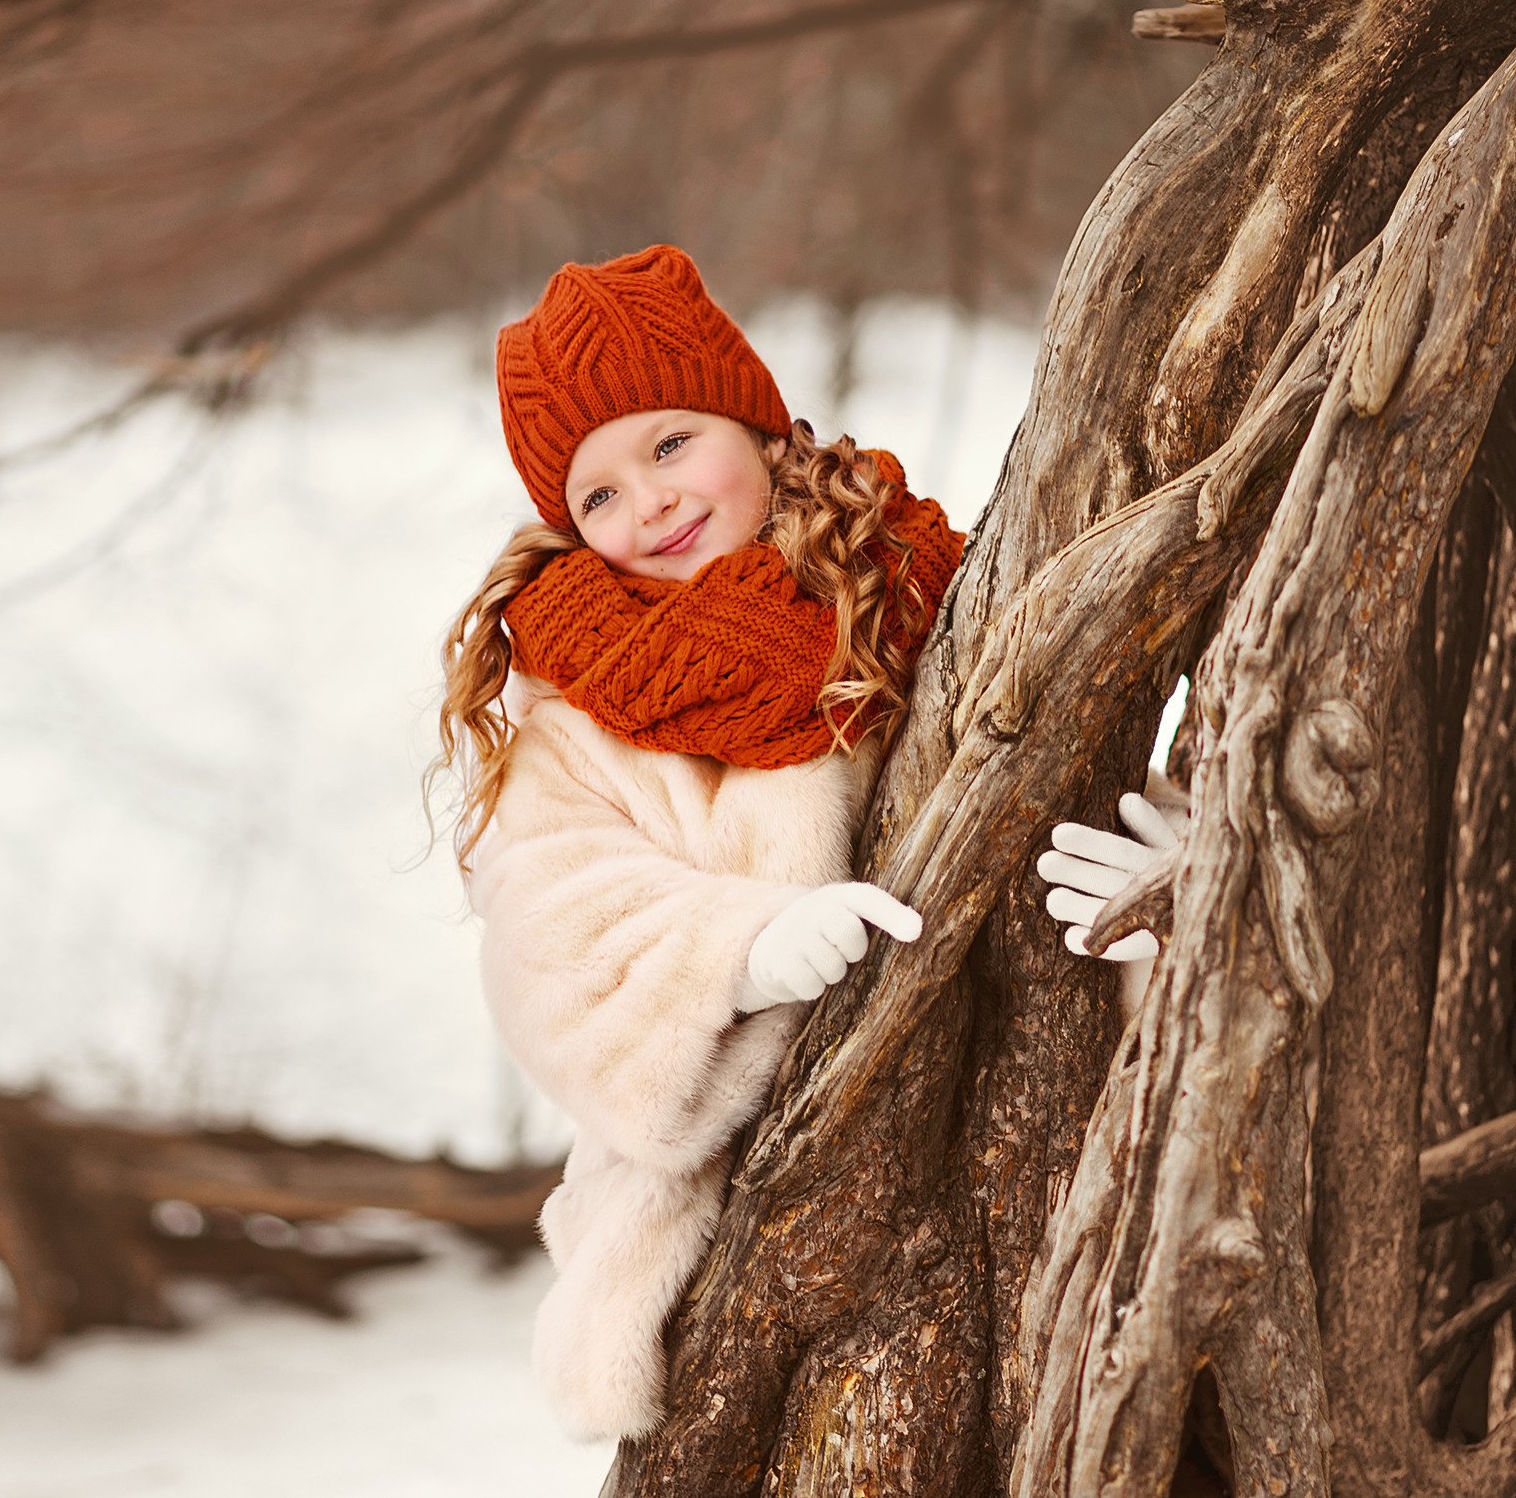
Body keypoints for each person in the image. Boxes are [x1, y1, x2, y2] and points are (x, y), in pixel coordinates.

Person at [436, 243, 1167, 1443]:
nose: (650, 503)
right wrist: (741, 946)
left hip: (1027, 1145)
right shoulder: (575, 704)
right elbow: (541, 929)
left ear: (760, 425)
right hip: (746, 1231)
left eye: (669, 444)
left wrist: (1173, 884)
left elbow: (1061, 748)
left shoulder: (914, 585)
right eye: (597, 494)